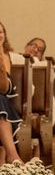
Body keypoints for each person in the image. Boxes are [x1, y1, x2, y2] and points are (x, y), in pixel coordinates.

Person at [0, 21, 23, 163]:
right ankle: (13, 156)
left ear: (4, 35)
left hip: (9, 98)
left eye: (0, 32)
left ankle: (11, 155)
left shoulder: (15, 57)